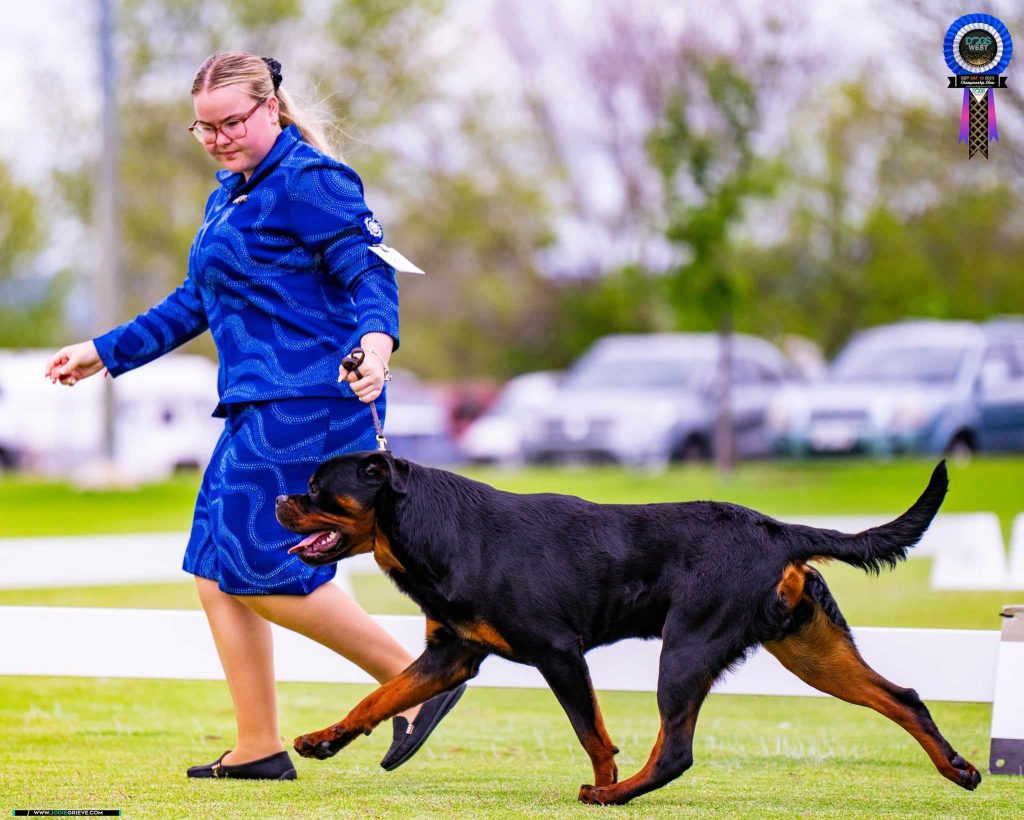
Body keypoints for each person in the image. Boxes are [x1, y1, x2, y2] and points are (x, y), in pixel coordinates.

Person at [44, 51, 464, 781]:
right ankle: (258, 745)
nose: (217, 138)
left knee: (256, 569)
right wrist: (103, 352)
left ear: (272, 107)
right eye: (203, 128)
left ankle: (417, 681)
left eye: (231, 122)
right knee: (213, 568)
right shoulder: (231, 196)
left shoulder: (313, 181)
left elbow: (369, 268)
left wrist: (376, 341)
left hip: (312, 401)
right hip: (256, 404)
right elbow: (196, 304)